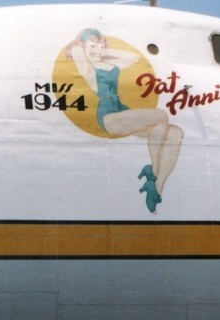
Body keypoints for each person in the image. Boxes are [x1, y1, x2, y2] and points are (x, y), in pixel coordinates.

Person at [67, 29, 183, 213]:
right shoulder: (86, 66)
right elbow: (77, 51)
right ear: (83, 47)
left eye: (100, 45)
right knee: (161, 116)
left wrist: (103, 51)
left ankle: (156, 186)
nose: (96, 49)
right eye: (92, 46)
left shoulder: (108, 64)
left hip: (122, 111)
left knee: (175, 133)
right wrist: (82, 45)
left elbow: (133, 58)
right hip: (108, 116)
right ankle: (152, 170)